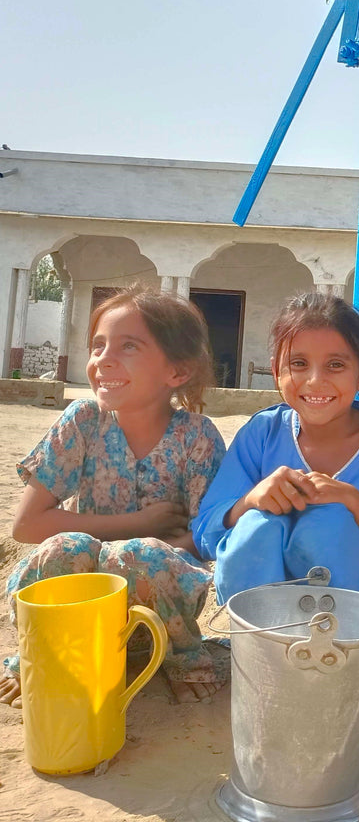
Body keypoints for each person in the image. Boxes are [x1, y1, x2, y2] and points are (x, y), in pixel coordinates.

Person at [1, 285, 227, 707]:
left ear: (176, 373)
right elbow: (27, 526)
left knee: (141, 555)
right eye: (98, 345)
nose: (103, 359)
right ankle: (36, 655)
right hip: (82, 608)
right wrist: (135, 526)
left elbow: (206, 538)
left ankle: (184, 660)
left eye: (128, 346)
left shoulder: (197, 437)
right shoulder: (84, 421)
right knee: (64, 548)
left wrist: (137, 549)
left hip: (161, 612)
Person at [193, 293, 359, 614]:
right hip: (263, 632)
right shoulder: (261, 433)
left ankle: (338, 647)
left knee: (327, 526)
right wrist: (251, 501)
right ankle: (254, 639)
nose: (316, 381)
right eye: (299, 364)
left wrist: (354, 504)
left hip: (351, 625)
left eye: (335, 365)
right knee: (258, 526)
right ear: (277, 371)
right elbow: (206, 532)